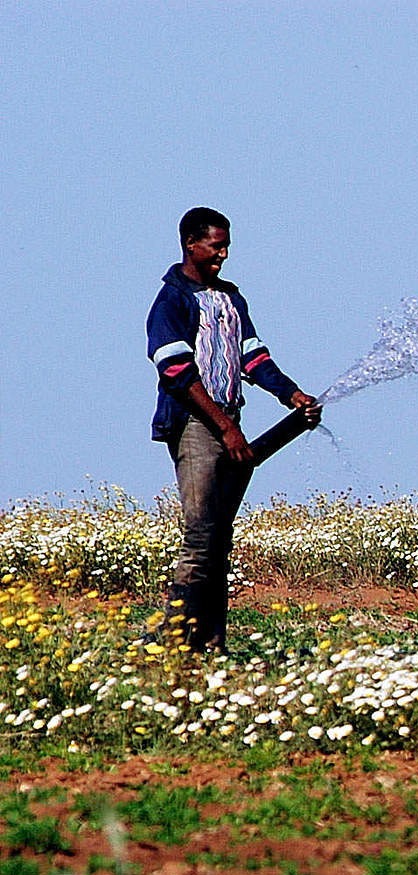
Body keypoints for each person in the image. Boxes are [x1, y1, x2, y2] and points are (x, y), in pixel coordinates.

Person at [146, 207, 321, 652]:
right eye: (215, 246)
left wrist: (290, 394)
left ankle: (211, 642)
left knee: (219, 537)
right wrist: (225, 429)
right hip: (196, 425)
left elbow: (252, 356)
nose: (223, 254)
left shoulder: (229, 298)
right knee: (202, 534)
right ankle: (172, 641)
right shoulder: (172, 302)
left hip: (228, 421)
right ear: (190, 243)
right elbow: (177, 374)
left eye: (226, 246)